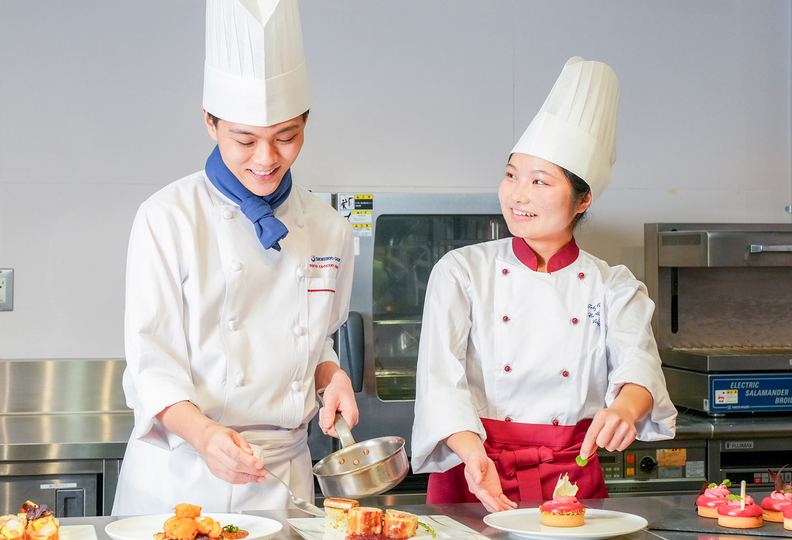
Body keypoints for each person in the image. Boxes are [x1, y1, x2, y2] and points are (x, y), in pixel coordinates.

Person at [113, 0, 357, 514]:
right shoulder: (168, 217)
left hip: (283, 478)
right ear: (210, 122)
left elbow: (316, 338)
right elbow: (150, 362)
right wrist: (203, 435)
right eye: (245, 140)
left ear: (306, 123)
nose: (266, 159)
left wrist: (331, 378)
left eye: (286, 137)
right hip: (181, 474)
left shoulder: (329, 228)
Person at [411, 57, 677, 512]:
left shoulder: (614, 286)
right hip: (475, 474)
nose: (517, 195)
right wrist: (473, 454)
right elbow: (441, 383)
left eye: (539, 181)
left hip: (571, 479)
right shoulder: (460, 271)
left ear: (583, 198)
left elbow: (639, 368)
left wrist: (623, 411)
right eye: (512, 175)